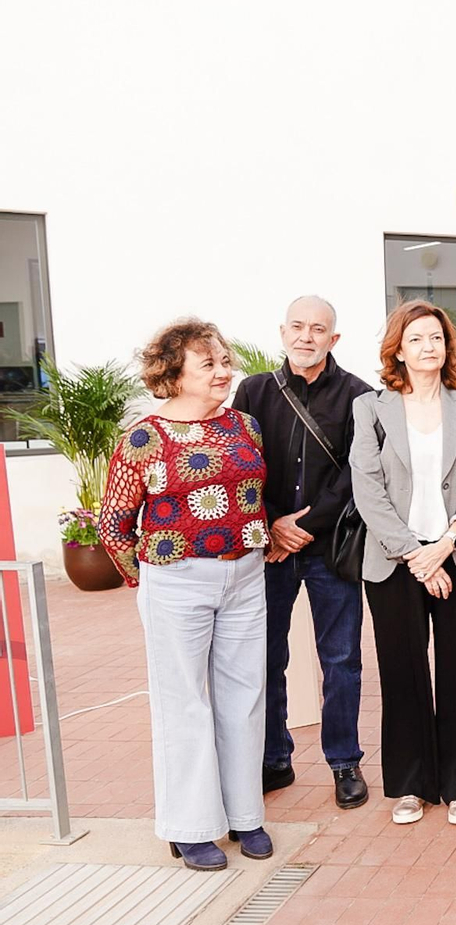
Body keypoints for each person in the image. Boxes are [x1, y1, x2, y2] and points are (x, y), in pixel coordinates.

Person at [99, 318, 272, 870]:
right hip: (176, 580)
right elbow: (113, 524)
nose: (224, 372)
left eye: (225, 361)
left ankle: (246, 815)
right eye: (210, 365)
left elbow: (253, 495)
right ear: (173, 375)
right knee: (184, 703)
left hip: (245, 575)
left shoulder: (245, 426)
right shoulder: (143, 438)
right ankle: (191, 826)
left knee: (245, 695)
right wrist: (146, 580)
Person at [349, 300, 456, 827]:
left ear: (448, 346)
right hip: (395, 563)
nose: (427, 347)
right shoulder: (371, 409)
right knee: (404, 672)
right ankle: (412, 784)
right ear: (397, 349)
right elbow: (367, 490)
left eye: (436, 337)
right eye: (415, 339)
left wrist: (448, 542)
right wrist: (417, 554)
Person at [232, 295, 373, 810]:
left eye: (318, 328)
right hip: (267, 550)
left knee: (340, 659)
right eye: (297, 326)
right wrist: (271, 523)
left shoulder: (360, 396)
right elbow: (238, 465)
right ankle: (274, 758)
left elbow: (357, 475)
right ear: (282, 332)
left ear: (334, 339)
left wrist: (302, 526)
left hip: (331, 548)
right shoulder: (253, 392)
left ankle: (343, 761)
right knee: (265, 656)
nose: (306, 336)